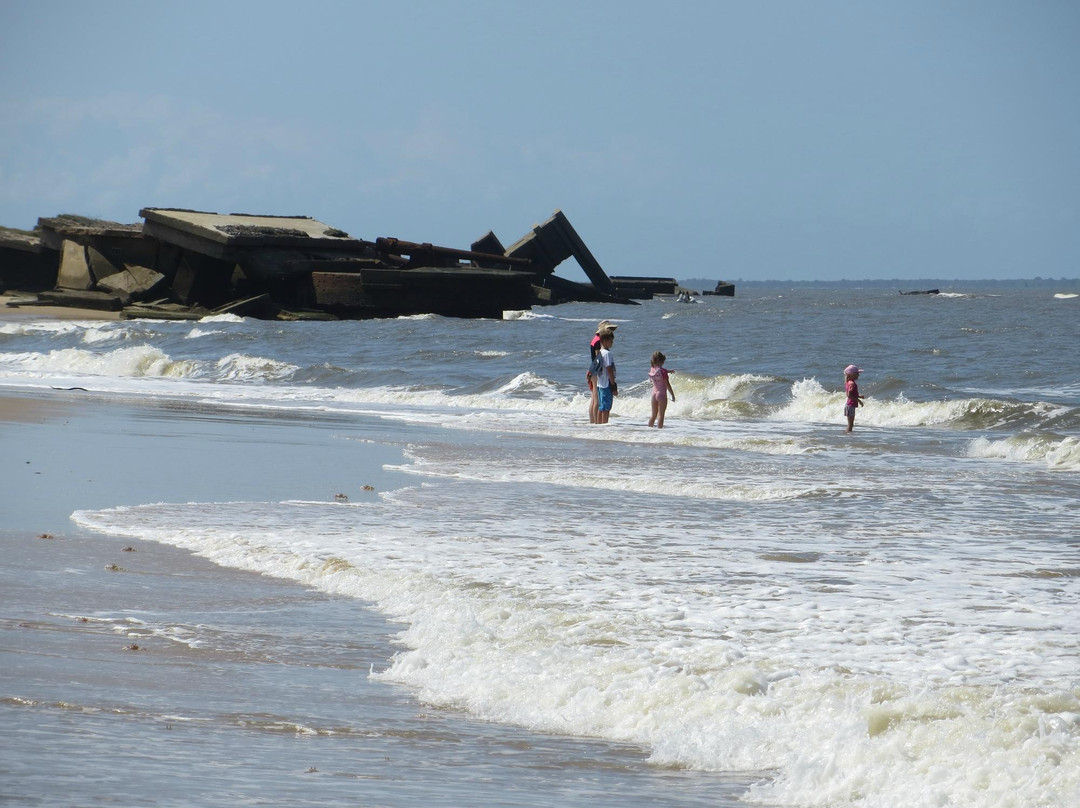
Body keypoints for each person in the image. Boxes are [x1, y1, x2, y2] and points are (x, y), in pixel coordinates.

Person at [587, 320, 617, 423]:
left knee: (598, 402)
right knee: (601, 404)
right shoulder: (600, 346)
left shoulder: (595, 340)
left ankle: (596, 423)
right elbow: (605, 366)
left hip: (598, 377)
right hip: (602, 380)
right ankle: (599, 424)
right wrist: (613, 384)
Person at [647, 351, 676, 428]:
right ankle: (659, 433)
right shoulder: (663, 372)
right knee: (661, 415)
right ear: (662, 361)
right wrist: (672, 395)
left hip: (654, 394)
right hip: (661, 394)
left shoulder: (652, 369)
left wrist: (669, 371)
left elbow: (659, 370)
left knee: (653, 415)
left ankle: (648, 431)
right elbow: (667, 384)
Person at [594, 328, 617, 424]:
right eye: (610, 341)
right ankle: (604, 425)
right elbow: (609, 369)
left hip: (600, 383)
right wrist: (613, 384)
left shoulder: (600, 352)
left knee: (602, 406)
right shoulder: (607, 353)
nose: (612, 343)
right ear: (604, 341)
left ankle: (599, 425)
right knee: (607, 408)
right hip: (607, 383)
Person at [844, 364, 865, 432]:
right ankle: (847, 436)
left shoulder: (849, 382)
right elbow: (849, 395)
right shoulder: (852, 384)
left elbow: (851, 394)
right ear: (852, 375)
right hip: (850, 405)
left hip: (850, 405)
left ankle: (848, 435)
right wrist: (859, 400)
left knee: (850, 424)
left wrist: (859, 396)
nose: (858, 375)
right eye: (857, 373)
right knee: (850, 425)